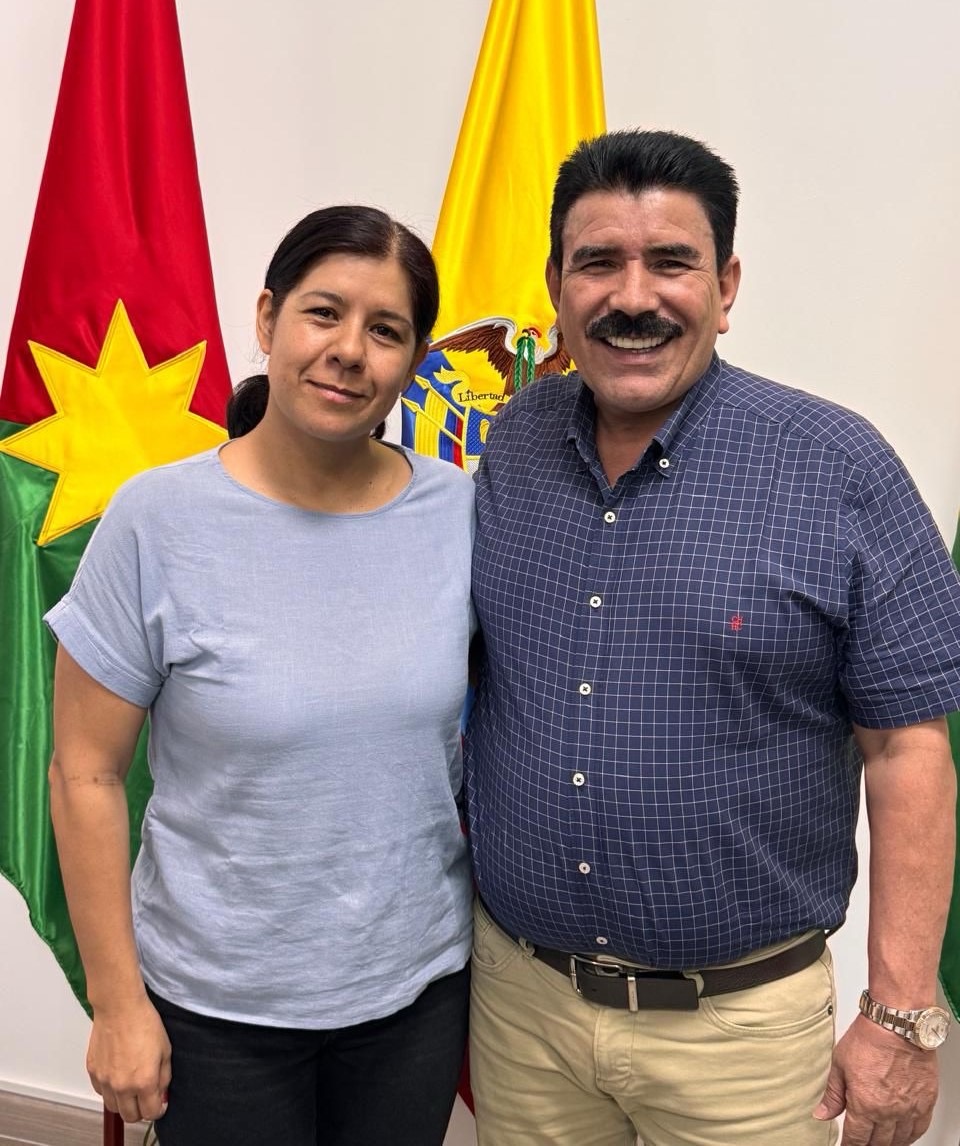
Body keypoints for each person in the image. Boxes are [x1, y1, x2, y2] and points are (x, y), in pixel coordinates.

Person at [465, 129, 960, 1146]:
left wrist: (903, 1015)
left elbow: (907, 750)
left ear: (725, 287)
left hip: (742, 1038)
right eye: (597, 262)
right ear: (556, 287)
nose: (632, 296)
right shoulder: (510, 444)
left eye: (671, 262)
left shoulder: (839, 467)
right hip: (523, 1010)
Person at [46, 205, 475, 1146]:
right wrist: (117, 1006)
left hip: (413, 995)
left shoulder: (461, 514)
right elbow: (84, 772)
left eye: (386, 330)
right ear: (268, 317)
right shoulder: (156, 520)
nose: (349, 351)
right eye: (324, 313)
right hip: (217, 1009)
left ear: (415, 360)